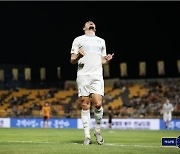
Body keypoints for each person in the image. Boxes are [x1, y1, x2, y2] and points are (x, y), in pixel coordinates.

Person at [70, 21, 114, 145]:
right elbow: (72, 60)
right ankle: (87, 136)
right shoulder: (78, 40)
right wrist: (78, 55)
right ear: (84, 28)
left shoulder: (101, 41)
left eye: (92, 23)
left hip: (97, 75)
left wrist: (107, 60)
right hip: (83, 75)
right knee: (85, 104)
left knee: (98, 104)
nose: (91, 23)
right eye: (88, 23)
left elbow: (102, 61)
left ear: (95, 27)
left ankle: (98, 131)